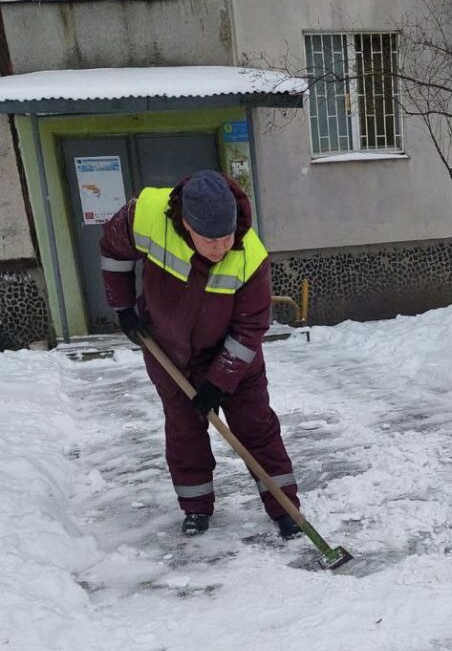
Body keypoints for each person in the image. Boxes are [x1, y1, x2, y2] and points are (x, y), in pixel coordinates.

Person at [100, 169, 301, 539]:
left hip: (234, 358)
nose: (220, 248)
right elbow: (113, 249)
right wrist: (123, 307)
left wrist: (220, 380)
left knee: (256, 428)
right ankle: (195, 508)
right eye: (210, 240)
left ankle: (285, 507)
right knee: (183, 431)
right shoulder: (145, 215)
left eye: (226, 237)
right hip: (169, 352)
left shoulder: (250, 256)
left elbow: (250, 328)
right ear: (187, 225)